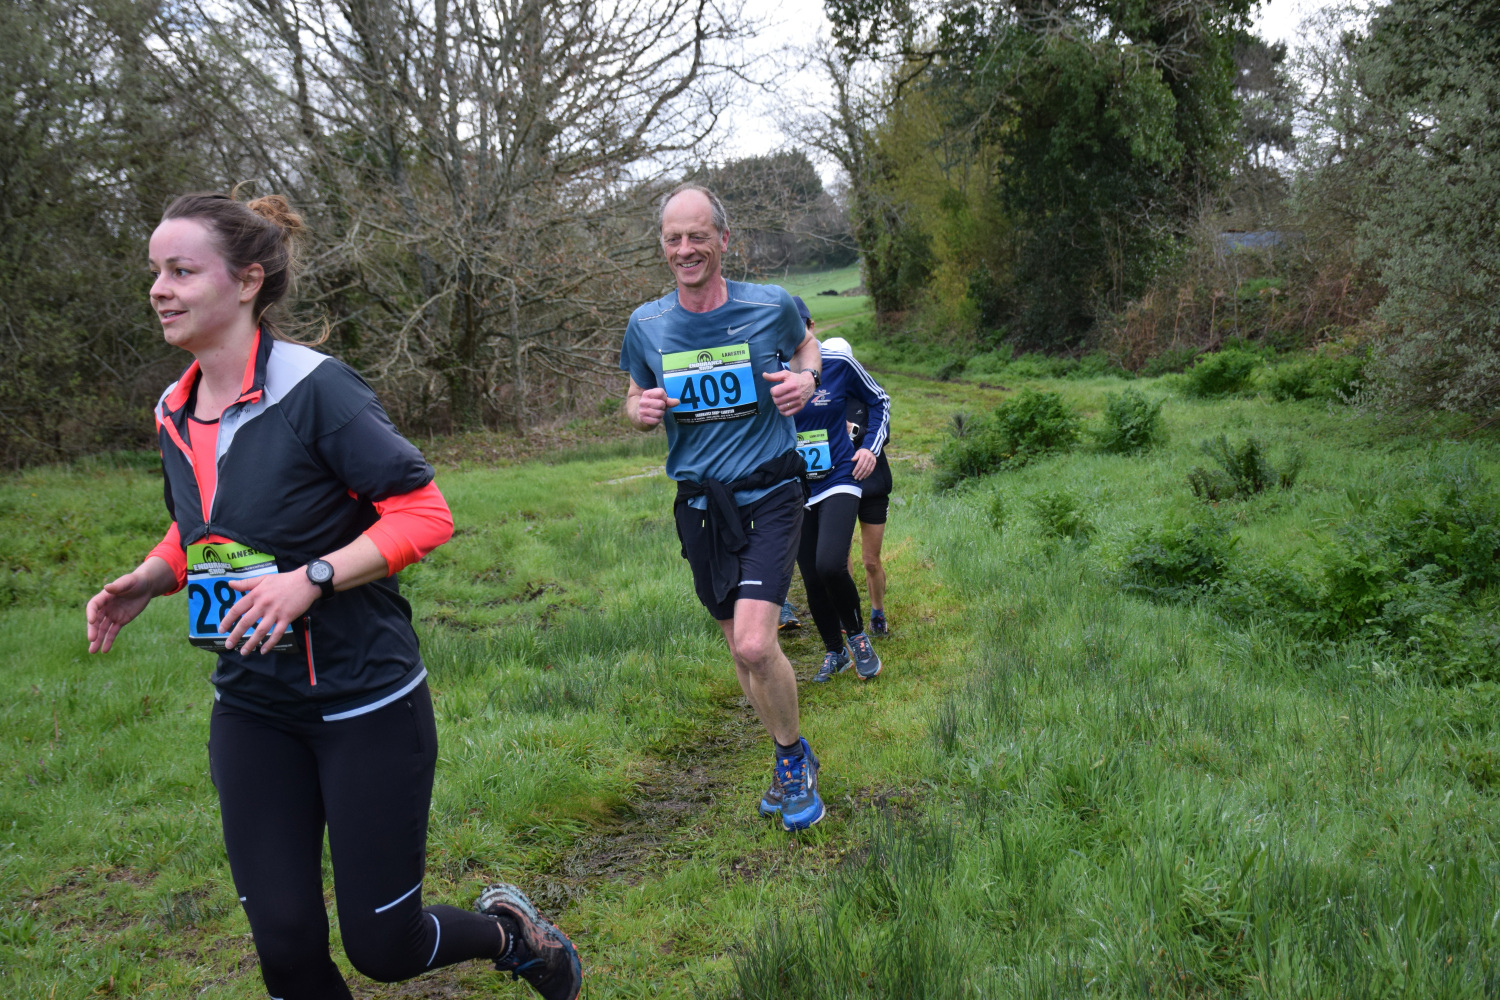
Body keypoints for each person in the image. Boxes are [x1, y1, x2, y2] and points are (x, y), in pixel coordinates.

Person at [83, 192, 581, 1000]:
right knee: (283, 947)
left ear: (247, 281)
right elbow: (206, 525)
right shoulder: (174, 409)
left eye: (181, 271)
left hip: (364, 701)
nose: (159, 290)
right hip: (251, 705)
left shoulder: (316, 390)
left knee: (384, 946)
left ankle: (513, 935)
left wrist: (311, 578)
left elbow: (424, 512)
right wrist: (152, 575)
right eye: (155, 272)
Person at [620, 183, 828, 831]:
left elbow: (808, 345)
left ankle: (792, 760)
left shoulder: (769, 306)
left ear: (724, 240)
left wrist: (806, 381)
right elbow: (634, 393)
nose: (685, 249)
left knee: (756, 641)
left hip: (771, 490)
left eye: (698, 236)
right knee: (740, 651)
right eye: (673, 239)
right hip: (701, 506)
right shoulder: (646, 325)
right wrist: (639, 409)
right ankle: (788, 754)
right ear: (663, 246)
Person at [787, 304, 890, 683]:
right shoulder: (767, 372)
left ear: (810, 327)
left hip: (839, 477)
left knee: (831, 563)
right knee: (813, 576)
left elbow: (880, 401)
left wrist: (870, 449)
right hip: (795, 486)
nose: (788, 335)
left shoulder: (838, 363)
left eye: (795, 326)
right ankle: (835, 651)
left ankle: (858, 637)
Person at [826, 335, 893, 636]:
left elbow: (882, 434)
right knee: (840, 560)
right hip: (838, 485)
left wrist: (852, 430)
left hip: (872, 487)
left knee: (870, 560)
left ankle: (878, 612)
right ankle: (847, 614)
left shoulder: (866, 392)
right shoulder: (821, 397)